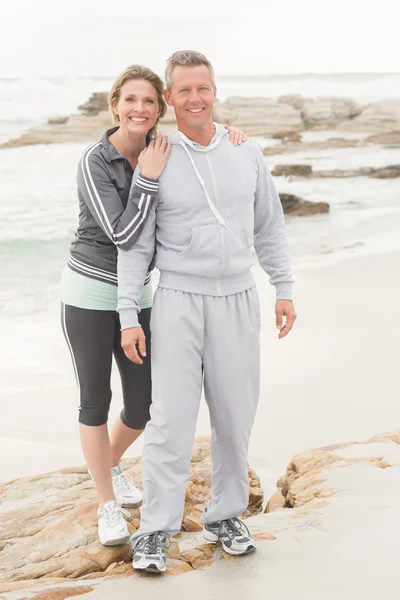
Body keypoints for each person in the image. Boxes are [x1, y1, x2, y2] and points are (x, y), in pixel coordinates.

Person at [117, 50, 297, 573]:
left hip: (239, 298)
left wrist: (283, 287)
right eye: (184, 91)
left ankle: (225, 516)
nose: (195, 99)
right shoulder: (156, 157)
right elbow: (134, 248)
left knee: (234, 417)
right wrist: (130, 314)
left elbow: (270, 226)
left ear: (214, 91)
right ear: (169, 98)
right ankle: (155, 531)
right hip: (176, 300)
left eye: (204, 88)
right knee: (170, 422)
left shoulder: (247, 151)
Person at [61, 63, 247, 547]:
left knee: (144, 405)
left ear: (159, 107)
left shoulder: (161, 149)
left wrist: (230, 135)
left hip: (137, 295)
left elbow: (204, 154)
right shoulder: (95, 161)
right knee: (95, 401)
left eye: (148, 101)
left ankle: (110, 463)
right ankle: (106, 501)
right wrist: (146, 179)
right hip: (87, 293)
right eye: (130, 101)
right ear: (115, 105)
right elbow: (124, 234)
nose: (139, 109)